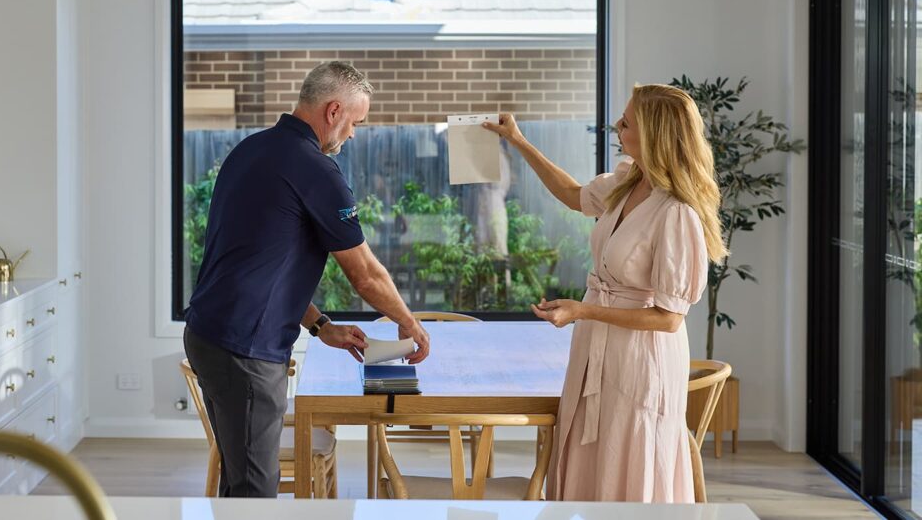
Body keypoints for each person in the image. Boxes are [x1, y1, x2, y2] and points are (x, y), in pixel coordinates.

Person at [184, 61, 430, 498]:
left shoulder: (250, 150)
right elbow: (366, 275)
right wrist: (410, 325)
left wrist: (320, 326)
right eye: (355, 122)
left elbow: (259, 263)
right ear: (334, 111)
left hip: (211, 334)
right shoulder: (315, 168)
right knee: (255, 490)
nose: (353, 135)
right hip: (245, 349)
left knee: (240, 478)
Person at [483, 83, 727, 502]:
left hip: (639, 361)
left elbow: (669, 318)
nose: (617, 124)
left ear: (653, 133)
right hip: (595, 345)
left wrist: (584, 312)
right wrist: (517, 141)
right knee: (590, 452)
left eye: (627, 121)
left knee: (628, 454)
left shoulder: (677, 213)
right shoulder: (626, 181)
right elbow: (571, 195)